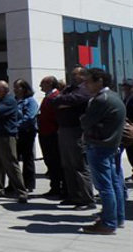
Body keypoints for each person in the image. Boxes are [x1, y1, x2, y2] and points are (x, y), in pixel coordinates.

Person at [80, 68, 126, 235]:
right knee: (114, 184)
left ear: (99, 81)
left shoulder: (101, 100)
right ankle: (117, 218)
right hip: (109, 145)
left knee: (105, 186)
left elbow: (85, 121)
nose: (85, 85)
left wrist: (84, 120)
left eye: (88, 81)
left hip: (99, 146)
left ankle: (108, 222)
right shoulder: (113, 96)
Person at [51, 66, 95, 210]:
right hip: (64, 130)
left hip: (76, 131)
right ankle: (73, 195)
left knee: (79, 165)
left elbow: (75, 99)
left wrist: (63, 101)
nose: (72, 76)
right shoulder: (69, 88)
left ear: (83, 76)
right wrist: (62, 102)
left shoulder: (85, 89)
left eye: (75, 74)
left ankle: (87, 199)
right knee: (67, 165)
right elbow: (55, 100)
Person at [0, 81, 28, 203]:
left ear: (3, 90)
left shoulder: (9, 101)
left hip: (6, 136)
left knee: (11, 164)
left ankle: (21, 192)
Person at [38, 76, 64, 197]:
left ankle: (60, 187)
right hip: (45, 133)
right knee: (50, 162)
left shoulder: (55, 97)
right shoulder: (48, 97)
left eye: (42, 83)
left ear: (49, 83)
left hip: (52, 134)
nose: (40, 86)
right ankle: (54, 186)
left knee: (56, 161)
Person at [14, 79, 38, 192]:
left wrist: (16, 125)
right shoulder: (14, 100)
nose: (14, 89)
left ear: (24, 88)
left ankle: (29, 184)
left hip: (26, 132)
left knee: (27, 158)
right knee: (14, 158)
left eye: (17, 87)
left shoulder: (30, 101)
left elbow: (29, 117)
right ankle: (15, 183)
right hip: (15, 133)